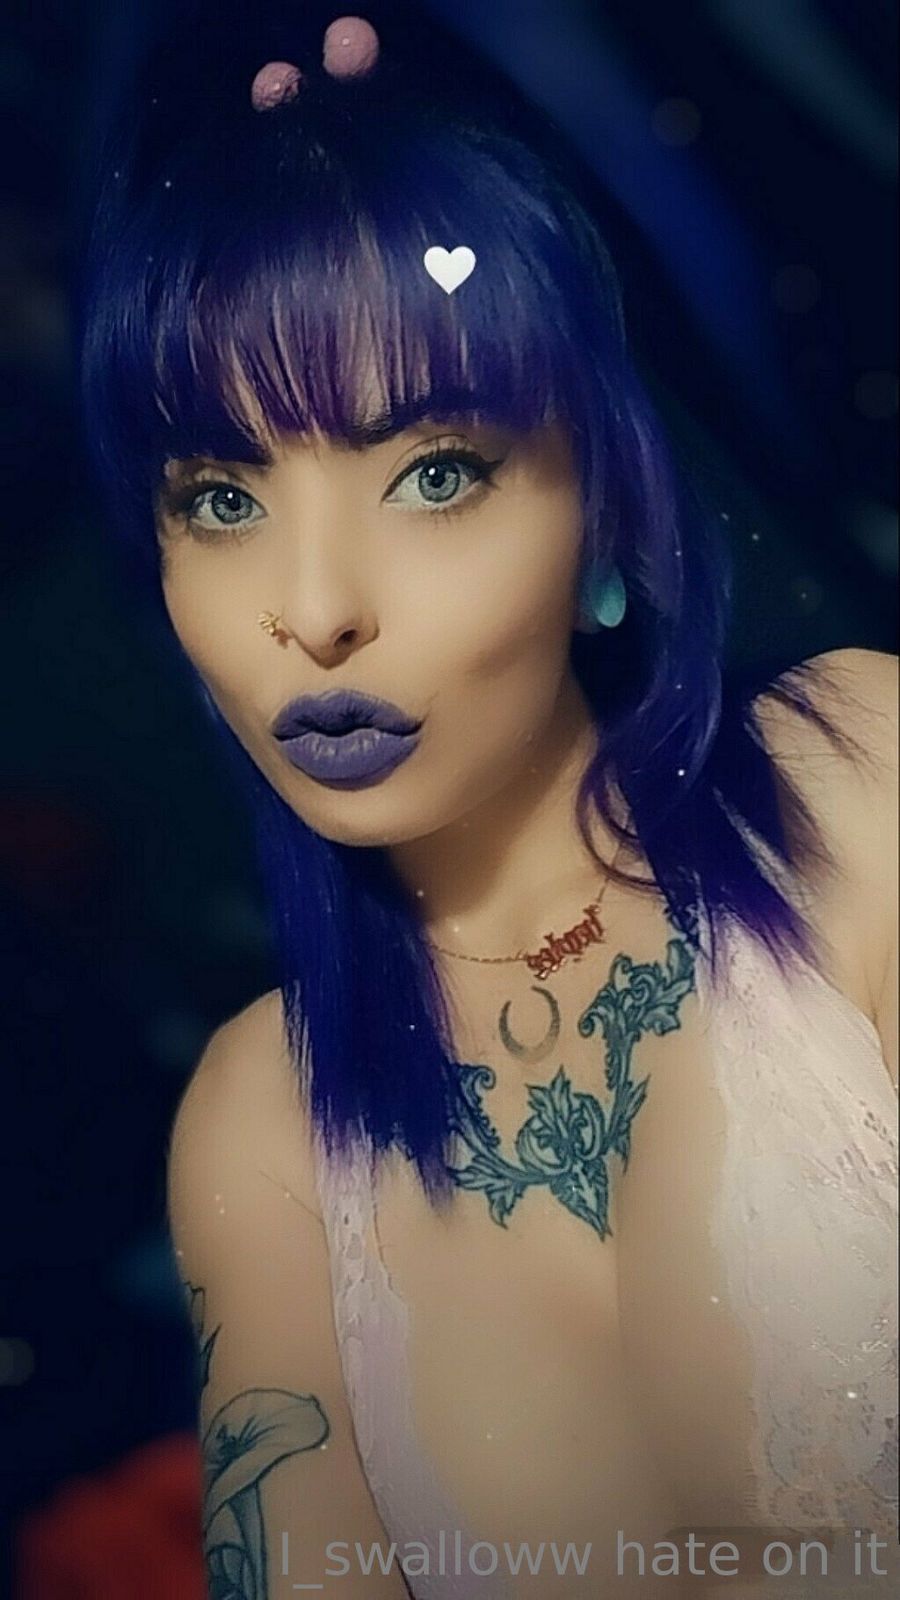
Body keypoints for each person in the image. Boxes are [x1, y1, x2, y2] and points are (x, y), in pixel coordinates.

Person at [75, 4, 898, 1595]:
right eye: (223, 499)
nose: (314, 611)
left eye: (434, 472)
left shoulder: (856, 783)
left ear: (608, 513)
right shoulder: (260, 1129)